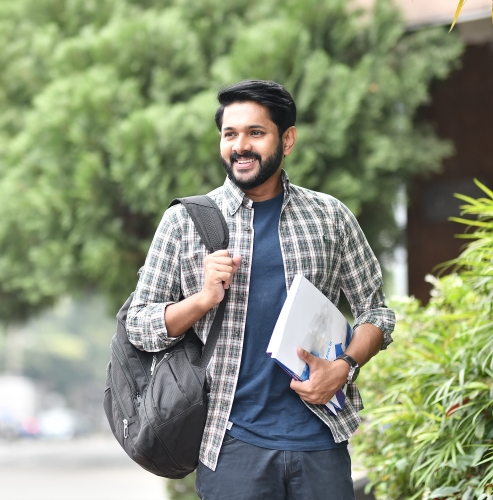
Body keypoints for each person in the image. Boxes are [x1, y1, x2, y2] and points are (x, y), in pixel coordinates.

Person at [126, 80, 396, 499]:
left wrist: (344, 367)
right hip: (233, 447)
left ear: (287, 139)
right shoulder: (185, 222)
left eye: (255, 132)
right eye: (229, 134)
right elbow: (139, 326)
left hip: (321, 443)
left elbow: (376, 314)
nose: (240, 146)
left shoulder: (330, 217)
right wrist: (200, 301)